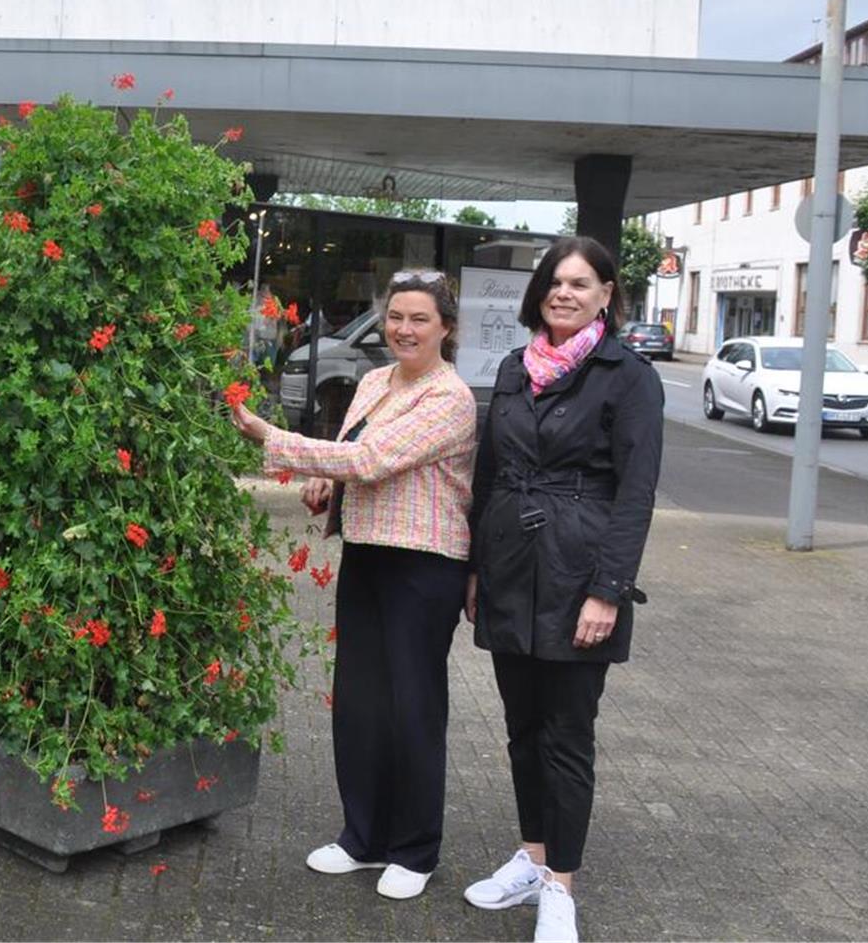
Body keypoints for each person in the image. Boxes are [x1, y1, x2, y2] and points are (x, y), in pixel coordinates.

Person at [229, 269, 477, 901]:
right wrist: (326, 482)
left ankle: (415, 850)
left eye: (420, 319)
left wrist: (272, 438)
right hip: (367, 554)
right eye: (396, 317)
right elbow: (351, 457)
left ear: (446, 328)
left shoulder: (449, 398)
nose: (404, 329)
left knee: (412, 707)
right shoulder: (372, 381)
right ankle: (363, 838)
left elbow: (372, 460)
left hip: (424, 565)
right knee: (361, 700)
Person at [461, 236, 662, 943]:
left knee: (567, 735)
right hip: (511, 565)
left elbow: (636, 493)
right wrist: (476, 568)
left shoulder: (628, 376)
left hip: (580, 572)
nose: (564, 292)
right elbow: (488, 474)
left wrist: (609, 589)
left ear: (608, 292)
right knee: (520, 728)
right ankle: (533, 855)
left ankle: (561, 888)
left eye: (580, 282)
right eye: (554, 281)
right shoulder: (517, 368)